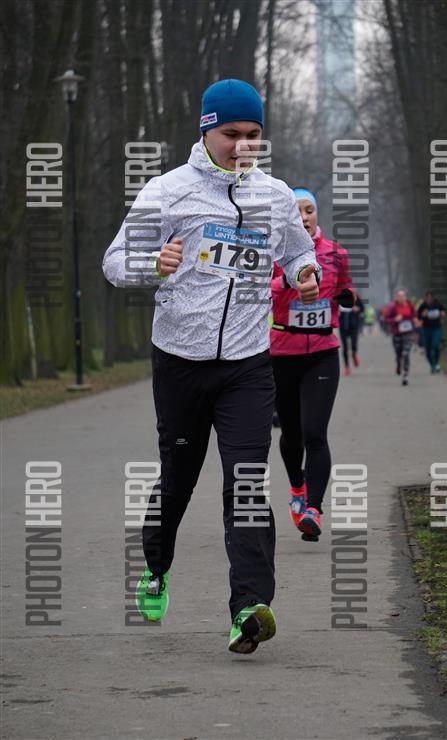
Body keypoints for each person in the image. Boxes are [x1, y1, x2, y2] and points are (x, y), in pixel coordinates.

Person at [102, 79, 322, 654]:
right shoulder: (168, 191)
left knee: (246, 482)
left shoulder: (274, 195)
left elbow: (297, 249)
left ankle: (249, 607)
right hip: (180, 362)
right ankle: (156, 567)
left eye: (254, 135)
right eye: (232, 134)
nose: (243, 146)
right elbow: (114, 262)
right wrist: (154, 262)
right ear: (206, 130)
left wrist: (305, 273)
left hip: (248, 365)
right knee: (178, 479)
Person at [270, 188, 355, 542]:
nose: (304, 217)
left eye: (309, 210)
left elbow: (347, 288)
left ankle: (313, 510)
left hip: (322, 352)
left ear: (317, 214)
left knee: (315, 433)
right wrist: (286, 280)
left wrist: (348, 297)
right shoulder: (273, 253)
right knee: (292, 435)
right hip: (281, 355)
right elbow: (256, 292)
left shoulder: (336, 253)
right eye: (297, 211)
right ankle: (297, 488)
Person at [385, 289, 417, 385]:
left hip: (408, 333)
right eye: (399, 296)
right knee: (399, 353)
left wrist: (415, 320)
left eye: (403, 296)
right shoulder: (392, 307)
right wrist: (395, 319)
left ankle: (405, 375)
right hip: (397, 334)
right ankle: (399, 364)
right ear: (396, 297)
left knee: (406, 353)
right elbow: (386, 319)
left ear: (405, 297)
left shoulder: (410, 305)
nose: (401, 298)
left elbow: (414, 316)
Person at [417, 291, 446, 372]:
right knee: (428, 348)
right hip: (426, 329)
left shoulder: (438, 304)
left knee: (436, 345)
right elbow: (418, 316)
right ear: (425, 298)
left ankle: (436, 363)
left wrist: (442, 314)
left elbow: (443, 311)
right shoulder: (423, 306)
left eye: (430, 297)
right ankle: (432, 365)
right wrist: (423, 315)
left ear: (433, 298)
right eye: (427, 297)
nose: (429, 299)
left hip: (436, 328)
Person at [339, 295, 364, 376]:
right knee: (345, 347)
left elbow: (362, 308)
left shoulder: (355, 297)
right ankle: (347, 367)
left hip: (353, 325)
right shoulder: (339, 297)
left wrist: (357, 309)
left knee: (353, 344)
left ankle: (354, 354)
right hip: (343, 326)